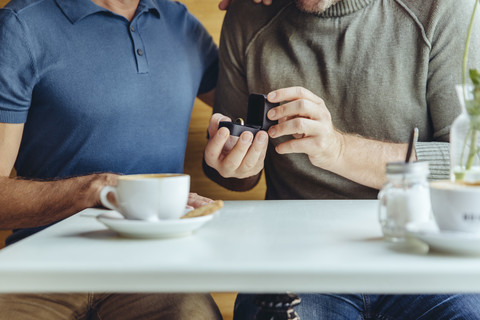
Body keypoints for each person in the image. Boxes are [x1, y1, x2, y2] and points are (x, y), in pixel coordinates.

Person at [203, 0, 480, 318]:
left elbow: (468, 166)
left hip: (426, 255)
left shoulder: (446, 8)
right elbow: (231, 177)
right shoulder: (249, 14)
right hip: (296, 258)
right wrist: (237, 166)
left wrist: (338, 150)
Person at [0, 0, 223, 318]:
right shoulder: (20, 25)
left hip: (157, 270)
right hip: (40, 267)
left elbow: (252, 117)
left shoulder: (181, 23)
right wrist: (92, 190)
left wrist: (263, 12)